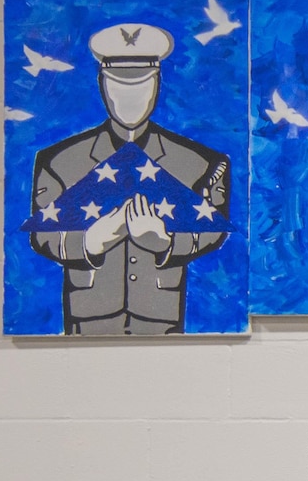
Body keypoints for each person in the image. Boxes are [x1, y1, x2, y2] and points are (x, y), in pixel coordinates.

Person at [30, 22, 232, 334]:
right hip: (88, 315)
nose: (130, 96)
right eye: (118, 84)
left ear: (157, 83)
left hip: (162, 316)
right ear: (102, 83)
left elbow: (212, 228)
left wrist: (166, 243)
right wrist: (89, 242)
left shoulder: (199, 164)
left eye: (141, 84)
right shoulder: (60, 162)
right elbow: (42, 234)